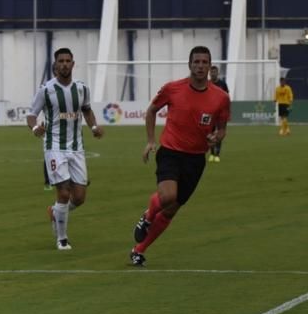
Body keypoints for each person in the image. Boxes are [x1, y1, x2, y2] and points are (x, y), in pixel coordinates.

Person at [129, 46, 231, 266]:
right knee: (167, 197)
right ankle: (147, 216)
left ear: (210, 65)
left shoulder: (221, 98)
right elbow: (151, 111)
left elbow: (222, 128)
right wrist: (150, 141)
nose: (200, 66)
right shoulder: (173, 89)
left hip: (196, 159)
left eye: (205, 62)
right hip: (170, 152)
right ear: (189, 64)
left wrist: (217, 137)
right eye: (197, 62)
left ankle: (139, 250)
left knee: (172, 209)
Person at [26, 48, 104, 250]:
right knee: (63, 193)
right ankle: (62, 239)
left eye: (68, 60)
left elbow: (86, 109)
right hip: (54, 147)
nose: (64, 64)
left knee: (79, 198)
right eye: (61, 60)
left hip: (76, 148)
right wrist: (35, 128)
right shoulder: (46, 90)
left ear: (73, 64)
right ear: (55, 64)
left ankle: (55, 212)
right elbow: (31, 114)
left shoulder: (82, 88)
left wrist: (94, 126)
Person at [209, 65, 230, 162]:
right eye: (211, 72)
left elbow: (227, 97)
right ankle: (212, 153)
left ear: (217, 73)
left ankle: (217, 154)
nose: (213, 74)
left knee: (220, 132)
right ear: (210, 73)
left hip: (220, 112)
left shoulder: (222, 84)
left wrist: (227, 111)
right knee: (210, 133)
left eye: (215, 72)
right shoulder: (207, 83)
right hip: (209, 112)